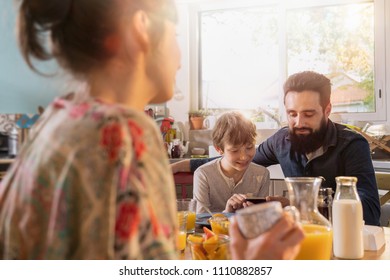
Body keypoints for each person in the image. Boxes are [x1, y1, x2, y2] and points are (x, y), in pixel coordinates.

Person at [0, 0, 303, 260]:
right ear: (141, 28)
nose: (181, 60)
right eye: (176, 35)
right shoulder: (123, 135)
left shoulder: (55, 123)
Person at [172, 71, 381, 226]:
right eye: (292, 113)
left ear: (327, 110)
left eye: (308, 114)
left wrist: (296, 203)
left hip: (343, 238)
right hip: (300, 237)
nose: (299, 122)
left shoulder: (352, 145)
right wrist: (183, 164)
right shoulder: (282, 140)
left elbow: (369, 213)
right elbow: (237, 160)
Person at [194, 111, 270, 213]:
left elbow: (262, 216)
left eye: (249, 147)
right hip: (212, 229)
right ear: (219, 149)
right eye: (234, 150)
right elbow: (200, 219)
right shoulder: (203, 174)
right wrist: (227, 213)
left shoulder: (262, 174)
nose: (243, 157)